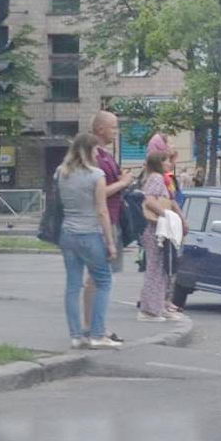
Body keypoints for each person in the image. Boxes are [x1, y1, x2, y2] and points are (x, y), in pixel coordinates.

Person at [56, 133, 121, 349]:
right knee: (104, 282)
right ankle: (97, 334)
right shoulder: (96, 175)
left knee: (73, 286)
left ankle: (76, 336)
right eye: (94, 150)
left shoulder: (61, 172)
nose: (96, 154)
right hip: (90, 233)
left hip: (67, 233)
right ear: (88, 151)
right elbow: (102, 211)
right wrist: (110, 242)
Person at [84, 110, 138, 332]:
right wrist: (123, 182)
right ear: (100, 129)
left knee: (101, 277)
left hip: (112, 218)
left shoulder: (105, 155)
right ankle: (95, 327)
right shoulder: (94, 156)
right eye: (113, 127)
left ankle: (93, 326)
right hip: (102, 222)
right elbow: (98, 193)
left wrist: (121, 178)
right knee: (100, 278)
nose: (117, 131)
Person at [136, 153, 176, 321]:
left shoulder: (153, 177)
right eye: (167, 160)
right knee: (155, 267)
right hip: (155, 228)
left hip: (155, 228)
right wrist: (166, 214)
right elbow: (149, 200)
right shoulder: (157, 178)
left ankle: (156, 306)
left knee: (158, 267)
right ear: (159, 163)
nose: (170, 164)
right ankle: (149, 310)